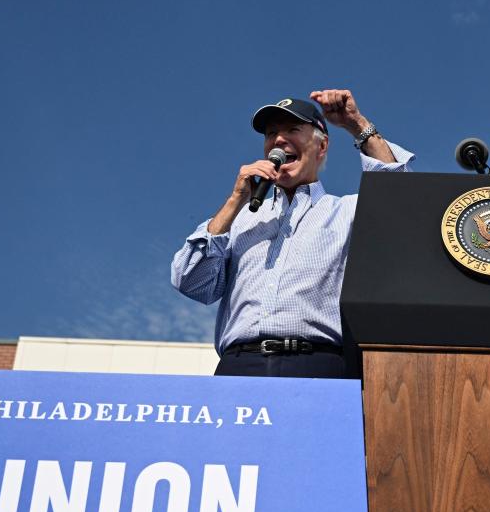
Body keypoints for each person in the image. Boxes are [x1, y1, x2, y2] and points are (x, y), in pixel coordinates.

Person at [171, 89, 412, 377]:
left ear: (321, 147)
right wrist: (236, 199)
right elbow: (192, 281)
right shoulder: (238, 221)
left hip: (319, 365)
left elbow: (400, 198)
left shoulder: (346, 211)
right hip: (240, 367)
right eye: (271, 133)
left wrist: (356, 124)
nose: (279, 140)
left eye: (293, 129)